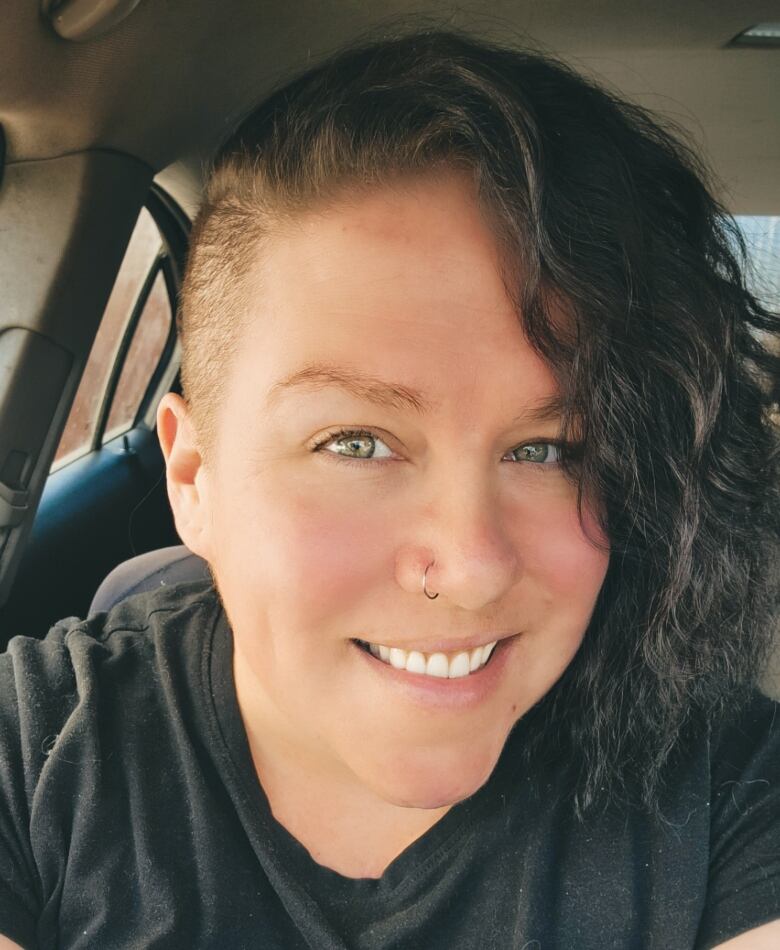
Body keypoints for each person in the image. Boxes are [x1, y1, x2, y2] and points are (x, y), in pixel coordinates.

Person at [1, 27, 779, 950]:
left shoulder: (723, 782)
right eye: (358, 442)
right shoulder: (34, 755)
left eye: (551, 450)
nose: (475, 567)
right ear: (194, 475)